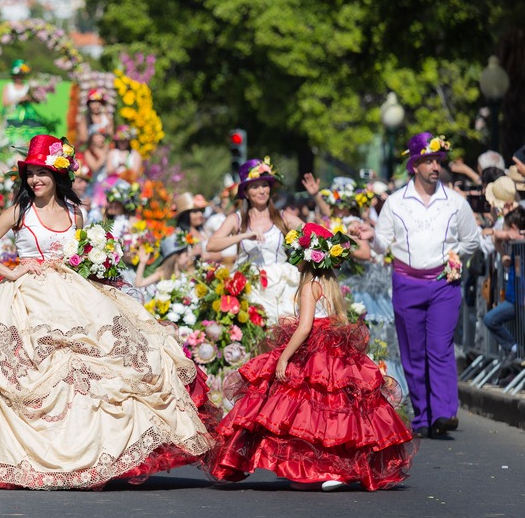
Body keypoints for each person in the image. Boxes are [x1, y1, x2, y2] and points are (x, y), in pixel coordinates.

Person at [0, 134, 213, 489]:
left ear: (57, 175)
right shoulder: (18, 211)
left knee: (104, 367)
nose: (35, 180)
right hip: (26, 298)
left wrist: (98, 268)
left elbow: (82, 256)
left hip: (76, 296)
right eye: (31, 173)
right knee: (19, 370)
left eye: (42, 172)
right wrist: (13, 271)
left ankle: (89, 457)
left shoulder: (76, 213)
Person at [209, 222, 415, 491]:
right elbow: (337, 319)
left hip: (314, 350)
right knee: (334, 414)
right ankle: (332, 468)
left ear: (304, 259)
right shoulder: (330, 286)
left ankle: (321, 469)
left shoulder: (308, 287)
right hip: (334, 349)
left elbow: (305, 326)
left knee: (304, 411)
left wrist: (284, 356)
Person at [372, 132, 481, 438]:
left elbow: (471, 240)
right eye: (428, 161)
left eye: (438, 161)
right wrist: (369, 237)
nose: (435, 166)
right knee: (413, 353)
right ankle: (422, 416)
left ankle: (445, 412)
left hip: (443, 283)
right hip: (406, 282)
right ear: (414, 164)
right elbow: (382, 243)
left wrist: (455, 258)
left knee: (440, 348)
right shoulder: (395, 203)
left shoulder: (455, 203)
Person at [206, 157, 323, 323]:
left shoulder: (283, 218)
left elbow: (315, 234)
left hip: (281, 285)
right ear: (246, 192)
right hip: (248, 286)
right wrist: (243, 235)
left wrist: (317, 197)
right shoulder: (236, 220)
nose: (261, 191)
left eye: (265, 185)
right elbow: (212, 245)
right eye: (255, 186)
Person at [482, 207, 524, 358]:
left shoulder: (520, 241)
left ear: (513, 228)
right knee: (490, 319)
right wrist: (501, 249)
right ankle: (514, 349)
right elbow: (506, 260)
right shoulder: (516, 244)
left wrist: (496, 232)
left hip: (522, 300)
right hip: (513, 300)